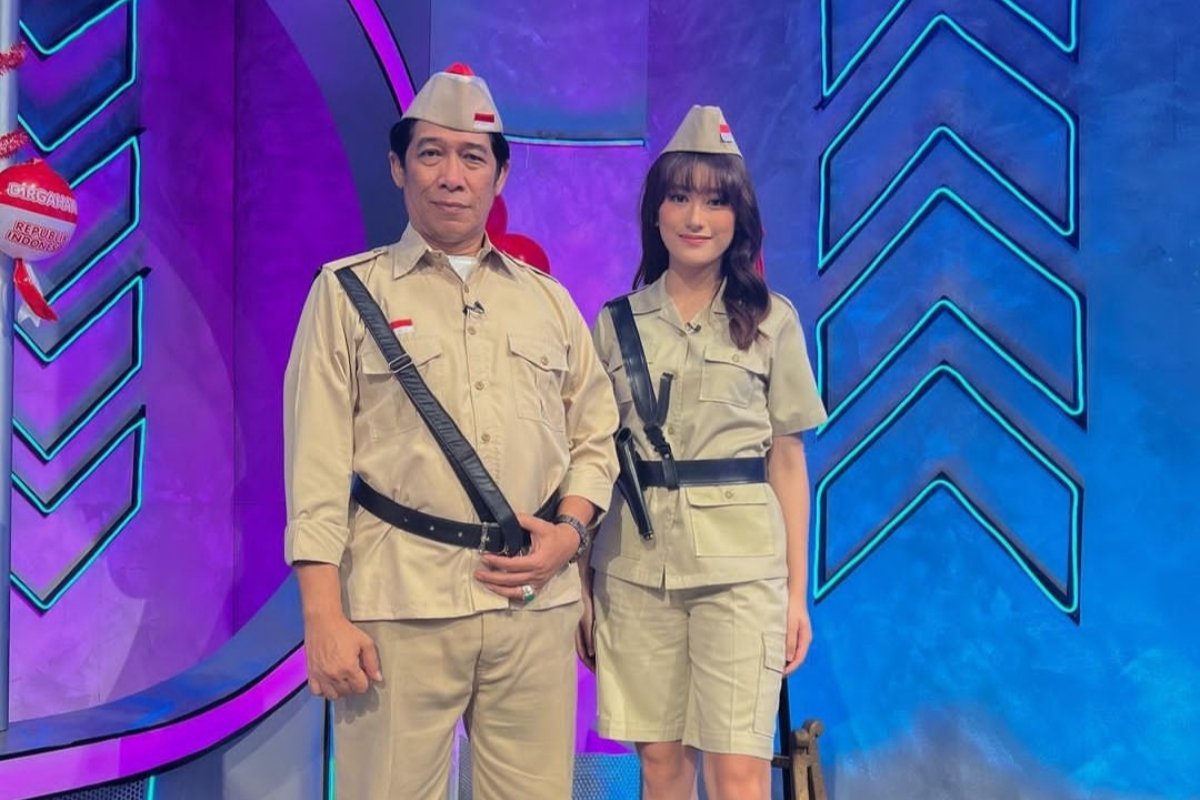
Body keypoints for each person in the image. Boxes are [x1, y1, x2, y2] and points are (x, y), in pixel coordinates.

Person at [283, 63, 619, 799]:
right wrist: (322, 614)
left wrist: (568, 536)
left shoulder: (549, 302)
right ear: (398, 166)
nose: (451, 176)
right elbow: (314, 465)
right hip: (399, 604)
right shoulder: (347, 292)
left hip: (533, 604)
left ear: (500, 176)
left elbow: (597, 434)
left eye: (472, 157)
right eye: (431, 154)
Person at [582, 105, 828, 800]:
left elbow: (787, 461)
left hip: (742, 571)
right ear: (656, 212)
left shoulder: (772, 320)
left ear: (738, 217)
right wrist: (580, 591)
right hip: (633, 568)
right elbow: (591, 457)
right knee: (660, 766)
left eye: (716, 201)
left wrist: (795, 594)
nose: (696, 217)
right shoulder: (615, 323)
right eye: (680, 197)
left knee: (738, 771)